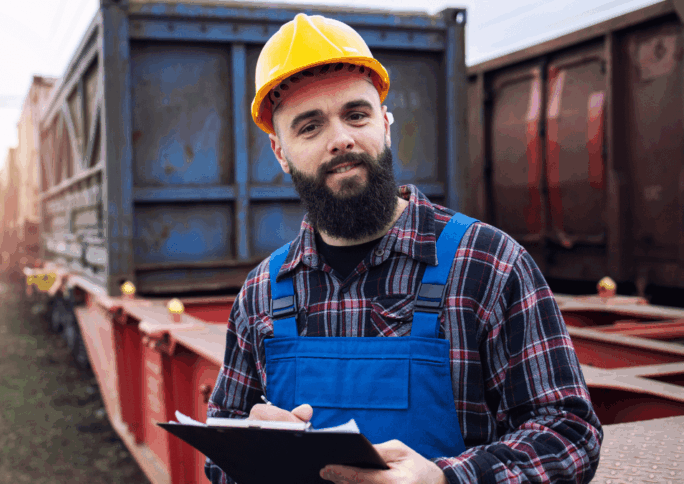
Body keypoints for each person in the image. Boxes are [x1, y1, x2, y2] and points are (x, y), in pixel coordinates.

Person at [206, 13, 602, 484]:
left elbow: (569, 433)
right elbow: (219, 452)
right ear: (280, 153)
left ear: (386, 124)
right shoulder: (261, 294)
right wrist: (251, 453)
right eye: (309, 127)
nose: (341, 139)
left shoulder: (488, 265)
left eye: (356, 114)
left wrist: (446, 479)